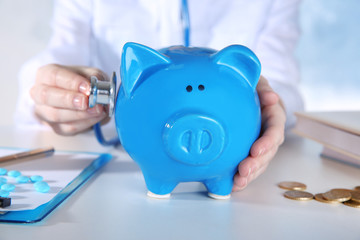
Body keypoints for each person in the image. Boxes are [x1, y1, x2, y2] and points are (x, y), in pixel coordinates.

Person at [15, 0, 304, 192]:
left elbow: (281, 79)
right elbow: (57, 57)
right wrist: (49, 92)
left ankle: (212, 181)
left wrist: (273, 104)